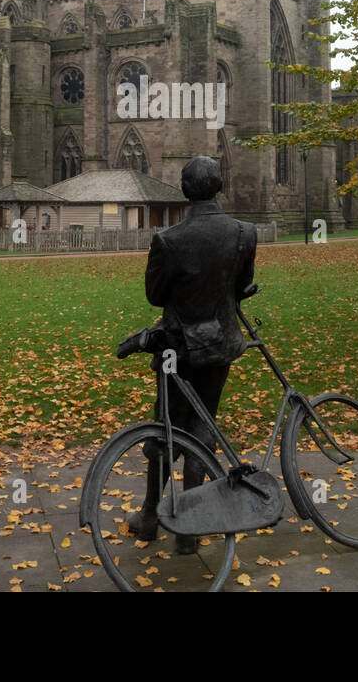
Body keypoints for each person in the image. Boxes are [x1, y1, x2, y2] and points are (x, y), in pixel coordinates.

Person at [133, 155, 256, 553]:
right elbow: (241, 286)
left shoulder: (168, 240)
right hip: (219, 344)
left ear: (185, 190)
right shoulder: (244, 233)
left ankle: (151, 515)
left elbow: (154, 296)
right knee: (204, 424)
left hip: (179, 347)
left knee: (168, 425)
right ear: (219, 187)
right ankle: (189, 526)